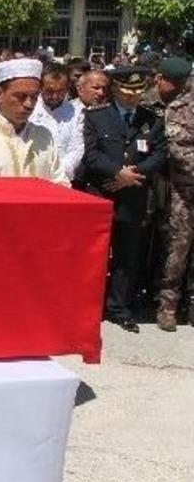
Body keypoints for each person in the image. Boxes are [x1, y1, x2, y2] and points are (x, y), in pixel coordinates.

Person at [80, 66, 167, 333]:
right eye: (127, 91)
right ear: (115, 89)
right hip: (102, 192)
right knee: (95, 254)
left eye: (137, 92)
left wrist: (134, 174)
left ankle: (119, 307)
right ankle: (89, 306)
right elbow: (90, 154)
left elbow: (160, 153)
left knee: (126, 257)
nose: (132, 97)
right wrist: (116, 172)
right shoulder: (97, 116)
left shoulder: (152, 119)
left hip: (133, 196)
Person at [0, 58, 68, 185]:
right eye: (20, 97)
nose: (29, 104)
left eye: (33, 97)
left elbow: (60, 183)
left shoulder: (43, 136)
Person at [154, 57, 194, 331]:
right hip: (184, 191)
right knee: (178, 250)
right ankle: (167, 306)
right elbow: (178, 151)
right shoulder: (179, 108)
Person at [29, 63, 84, 181]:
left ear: (68, 88)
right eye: (49, 91)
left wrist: (59, 172)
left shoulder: (76, 113)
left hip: (64, 177)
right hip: (33, 176)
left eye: (60, 91)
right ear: (40, 87)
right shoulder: (29, 110)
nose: (55, 96)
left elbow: (77, 149)